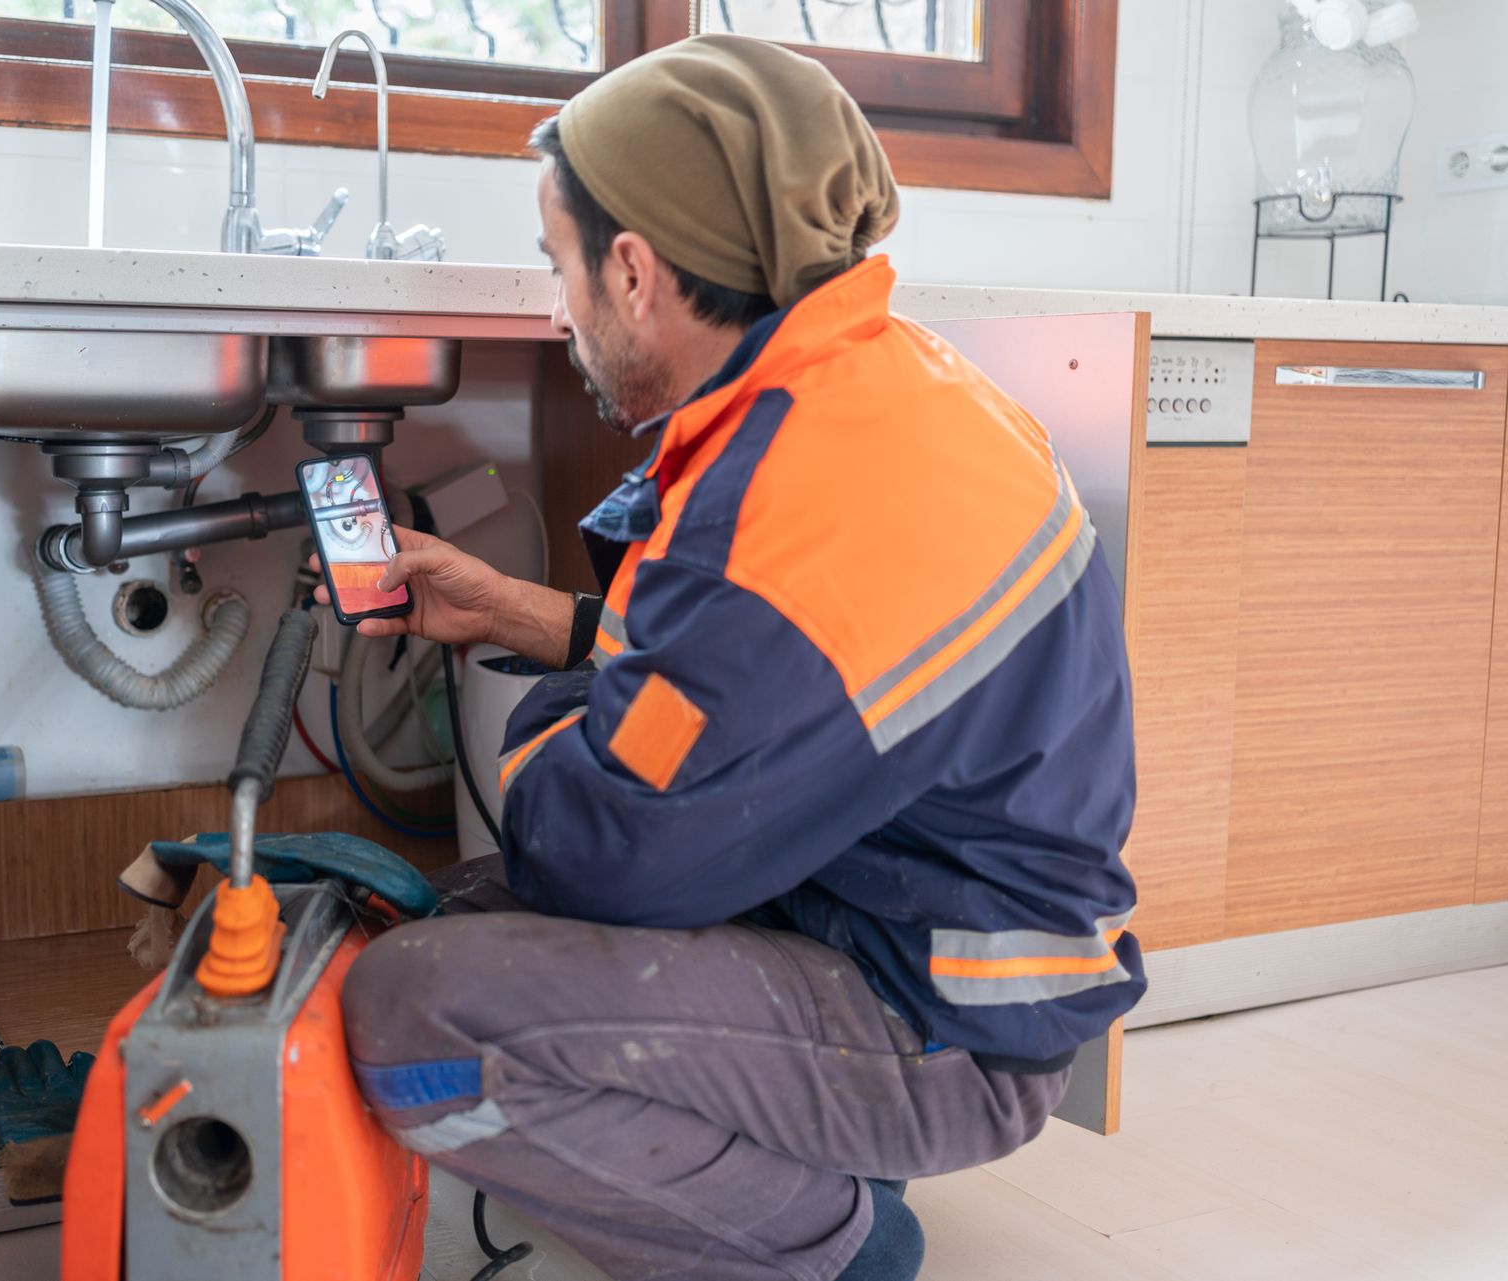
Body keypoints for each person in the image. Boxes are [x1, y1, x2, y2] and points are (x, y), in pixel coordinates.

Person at [321, 34, 1144, 1281]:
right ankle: (799, 1164)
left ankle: (836, 1248)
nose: (556, 311)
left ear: (635, 271)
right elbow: (766, 691)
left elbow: (599, 850)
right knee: (465, 917)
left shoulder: (793, 515)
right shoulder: (874, 389)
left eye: (560, 267)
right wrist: (518, 616)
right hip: (901, 924)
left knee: (416, 1009)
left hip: (941, 1021)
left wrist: (552, 712)